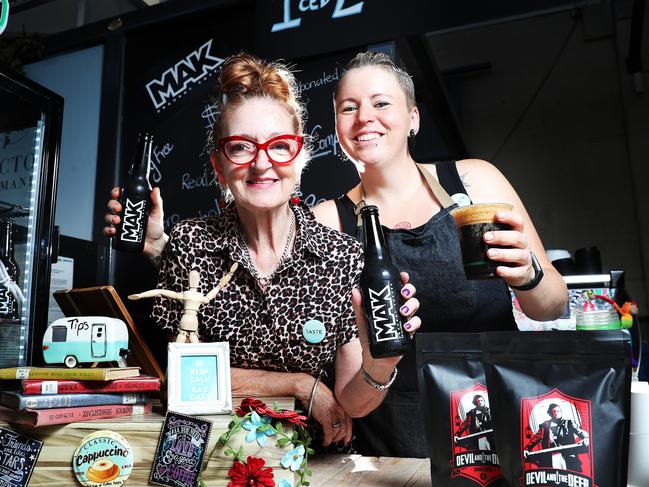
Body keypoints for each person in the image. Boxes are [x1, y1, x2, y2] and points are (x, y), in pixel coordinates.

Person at [104, 53, 421, 448]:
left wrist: (379, 364)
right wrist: (300, 385)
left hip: (309, 466)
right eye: (240, 148)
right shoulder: (191, 245)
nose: (262, 163)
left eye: (279, 146)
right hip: (209, 457)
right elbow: (182, 376)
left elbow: (353, 404)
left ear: (300, 156)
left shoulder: (342, 256)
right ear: (219, 166)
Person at [311, 51, 568, 457]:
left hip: (503, 428)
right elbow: (352, 400)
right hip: (396, 448)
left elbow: (553, 305)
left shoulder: (475, 181)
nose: (364, 117)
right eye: (349, 107)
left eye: (381, 103)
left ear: (413, 118)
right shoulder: (327, 222)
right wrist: (379, 367)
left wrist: (529, 276)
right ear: (338, 127)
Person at [524, 403, 589, 471]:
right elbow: (536, 438)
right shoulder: (545, 426)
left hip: (568, 456)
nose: (556, 413)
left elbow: (580, 431)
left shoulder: (569, 423)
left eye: (558, 411)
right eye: (554, 411)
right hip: (550, 458)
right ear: (550, 414)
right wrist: (527, 449)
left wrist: (586, 437)